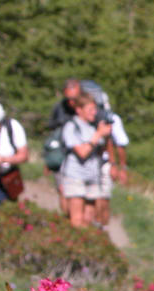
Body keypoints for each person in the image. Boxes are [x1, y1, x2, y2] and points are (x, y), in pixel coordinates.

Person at [59, 92, 113, 227]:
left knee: (88, 221)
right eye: (90, 110)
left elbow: (101, 152)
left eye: (95, 109)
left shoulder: (92, 127)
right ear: (79, 110)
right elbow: (82, 152)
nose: (94, 113)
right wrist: (99, 134)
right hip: (75, 176)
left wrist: (106, 136)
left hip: (93, 176)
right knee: (76, 220)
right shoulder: (71, 127)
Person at [46, 79, 82, 213]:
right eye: (69, 98)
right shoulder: (59, 108)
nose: (72, 102)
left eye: (75, 98)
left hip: (83, 158)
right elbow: (52, 133)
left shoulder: (88, 108)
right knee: (63, 191)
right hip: (62, 156)